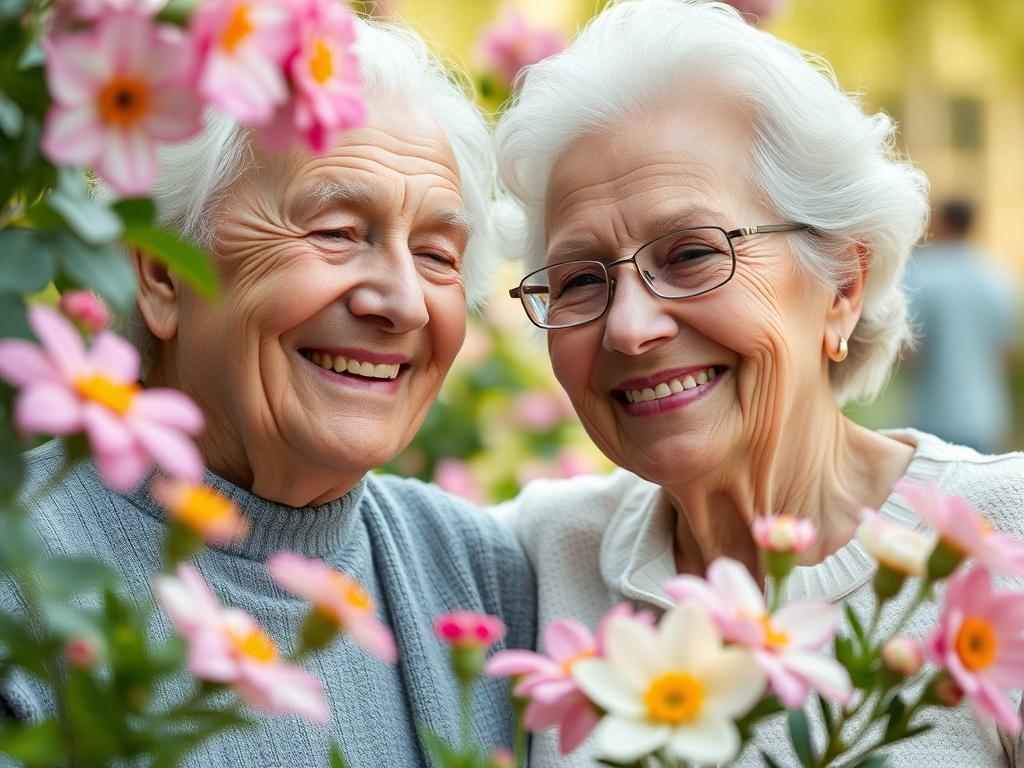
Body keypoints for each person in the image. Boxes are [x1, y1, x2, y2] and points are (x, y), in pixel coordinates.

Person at [492, 1, 1024, 765]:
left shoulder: (1006, 539)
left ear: (842, 281)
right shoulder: (537, 558)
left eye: (691, 254)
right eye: (579, 279)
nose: (629, 327)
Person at [1, 18, 535, 767]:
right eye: (339, 231)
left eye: (436, 255)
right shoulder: (22, 570)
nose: (405, 303)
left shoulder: (479, 574)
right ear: (161, 273)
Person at [904, 199, 1018, 453]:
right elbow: (1006, 353)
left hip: (932, 416)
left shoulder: (924, 272)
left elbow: (909, 349)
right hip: (983, 418)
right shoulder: (996, 275)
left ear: (942, 223)